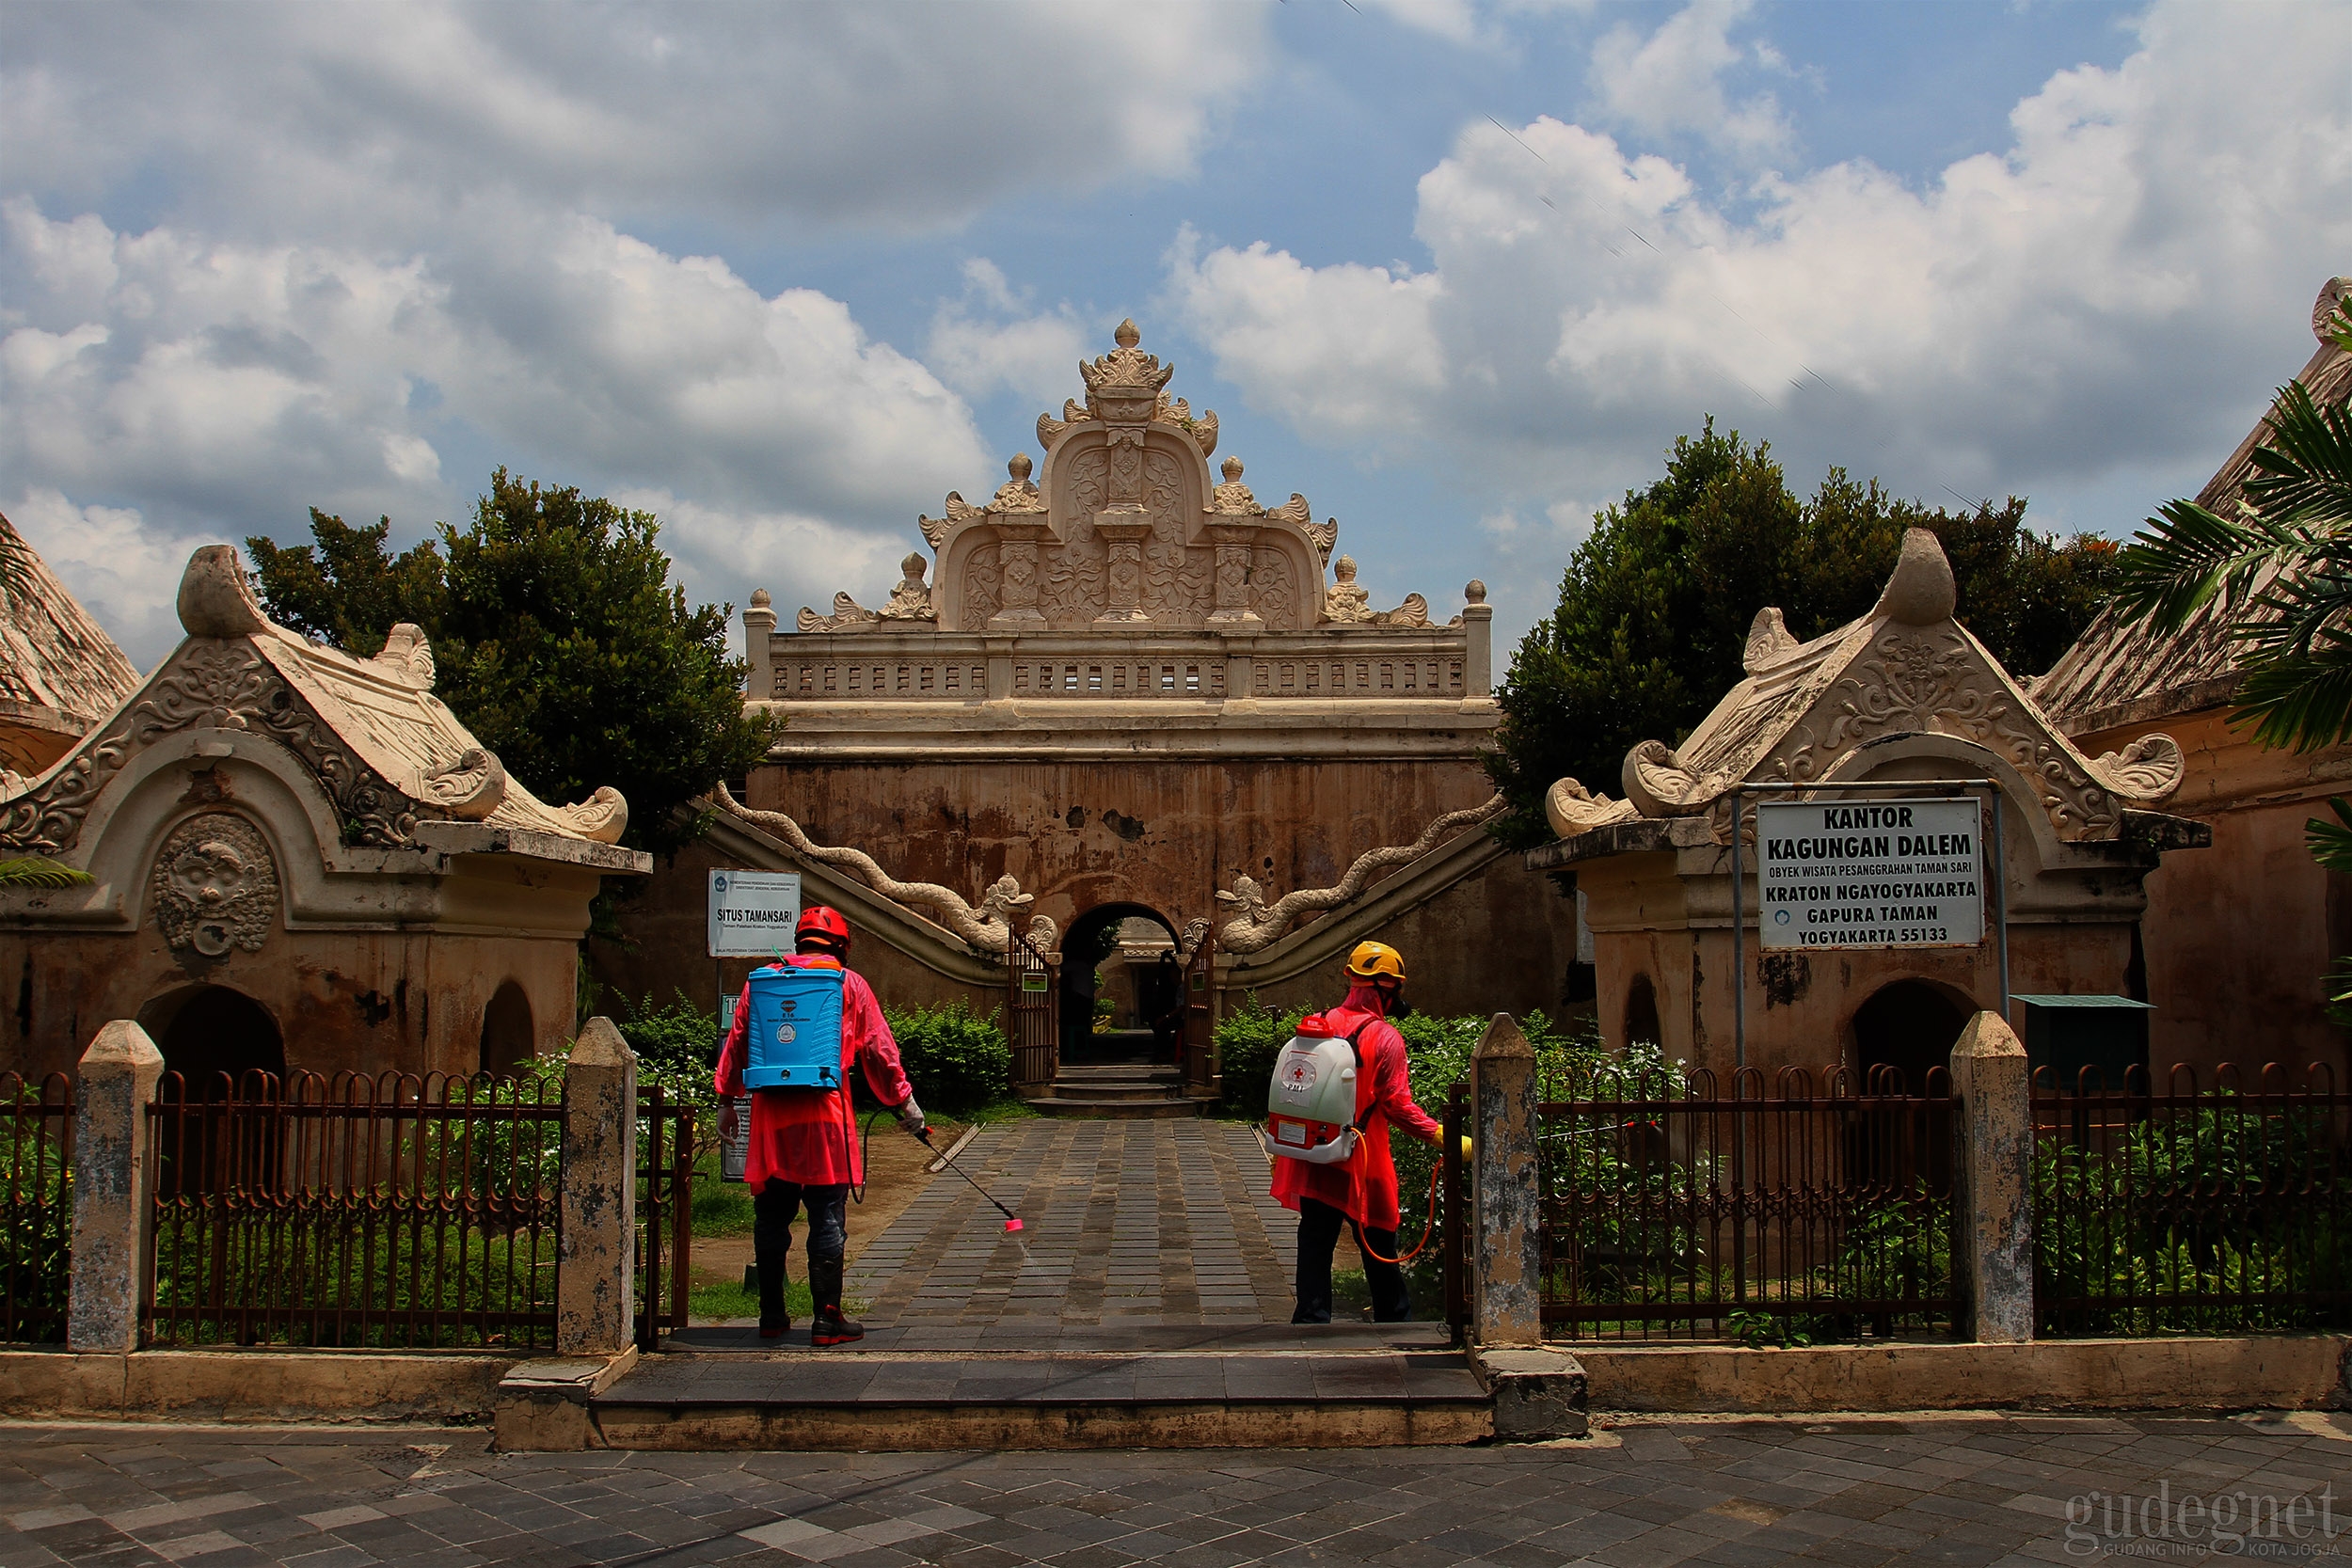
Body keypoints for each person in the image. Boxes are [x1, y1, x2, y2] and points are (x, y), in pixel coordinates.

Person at [715, 906, 922, 1345]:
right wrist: (906, 1103)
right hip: (826, 1118)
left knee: (771, 1217)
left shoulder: (761, 982)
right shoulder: (850, 984)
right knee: (826, 1217)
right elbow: (879, 1051)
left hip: (772, 1119)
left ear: (798, 941)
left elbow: (737, 1043)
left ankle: (771, 1316)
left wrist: (726, 1102)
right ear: (842, 946)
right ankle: (827, 1321)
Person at [1269, 940, 1443, 1323]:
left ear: (1351, 979)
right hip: (1364, 1159)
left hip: (1317, 1154)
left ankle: (1311, 1321)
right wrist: (1441, 1135)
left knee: (1314, 1240)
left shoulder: (1317, 1023)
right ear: (1387, 987)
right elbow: (1397, 1104)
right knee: (1379, 1243)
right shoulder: (1385, 1037)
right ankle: (1394, 1321)